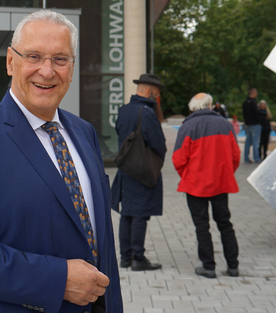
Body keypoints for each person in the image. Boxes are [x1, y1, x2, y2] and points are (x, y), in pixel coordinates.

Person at [0, 10, 122, 313]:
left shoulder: (85, 133)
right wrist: (57, 279)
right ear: (10, 61)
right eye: (34, 56)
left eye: (60, 59)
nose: (47, 71)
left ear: (71, 68)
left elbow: (99, 237)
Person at [172, 93, 240, 279]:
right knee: (225, 223)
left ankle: (208, 266)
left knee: (202, 226)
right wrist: (225, 173)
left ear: (193, 107)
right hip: (220, 183)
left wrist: (188, 175)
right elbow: (235, 155)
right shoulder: (225, 124)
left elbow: (178, 158)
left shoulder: (188, 126)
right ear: (210, 105)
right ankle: (233, 266)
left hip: (196, 184)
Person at [111, 73, 166, 271]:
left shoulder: (124, 110)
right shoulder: (147, 113)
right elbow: (159, 144)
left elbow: (120, 134)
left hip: (125, 167)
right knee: (140, 214)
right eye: (157, 93)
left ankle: (125, 257)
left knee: (127, 213)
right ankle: (138, 258)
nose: (157, 97)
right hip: (142, 170)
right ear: (149, 91)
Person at [241, 88, 261, 163]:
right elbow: (256, 112)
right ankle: (257, 158)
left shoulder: (245, 102)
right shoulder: (253, 102)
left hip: (248, 124)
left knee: (248, 142)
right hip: (255, 124)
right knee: (256, 142)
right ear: (253, 93)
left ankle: (246, 158)